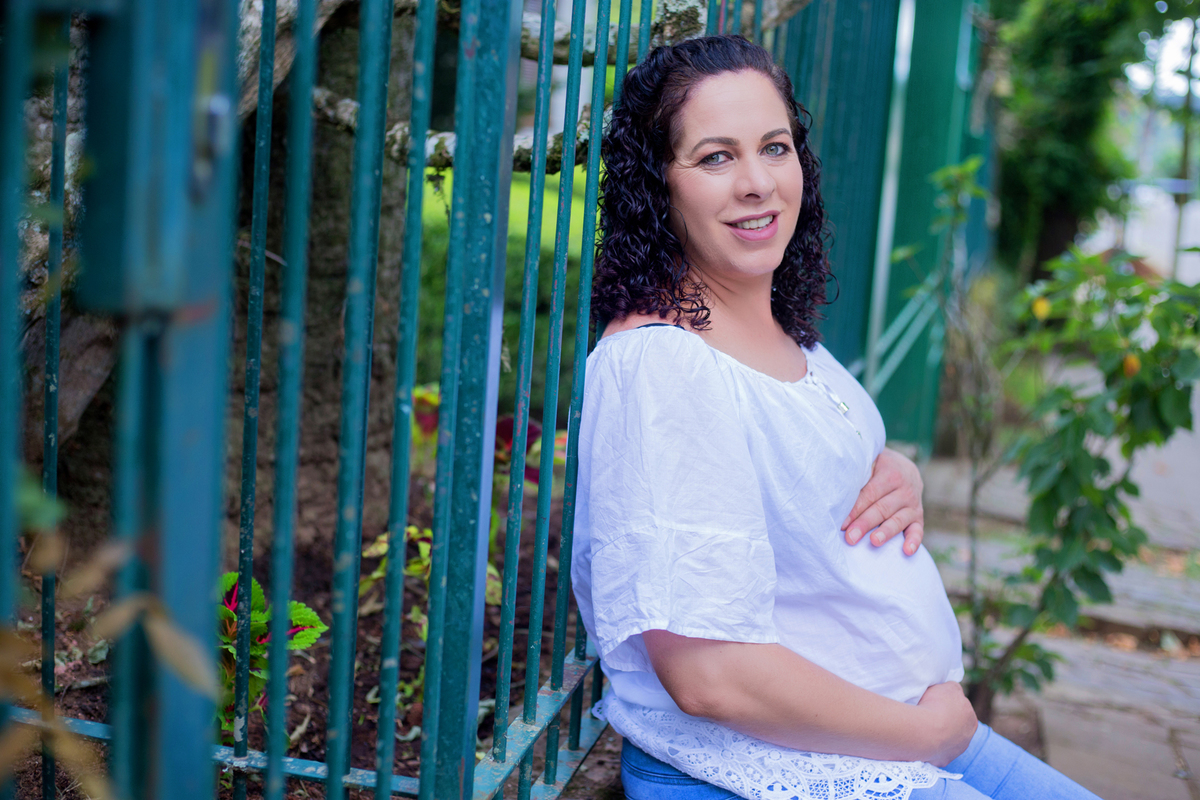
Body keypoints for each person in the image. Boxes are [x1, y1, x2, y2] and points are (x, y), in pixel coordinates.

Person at [570, 35, 1101, 800]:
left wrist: (894, 470)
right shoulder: (664, 366)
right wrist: (928, 736)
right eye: (716, 157)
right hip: (772, 765)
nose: (757, 183)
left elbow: (797, 479)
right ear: (659, 184)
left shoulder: (778, 331)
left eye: (774, 147)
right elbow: (708, 674)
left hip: (889, 737)